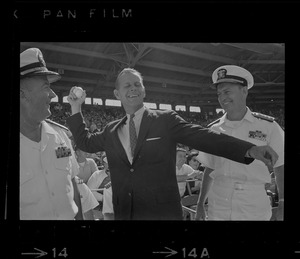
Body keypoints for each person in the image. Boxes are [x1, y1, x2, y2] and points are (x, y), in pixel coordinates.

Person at [66, 67, 278, 220]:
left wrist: (249, 149)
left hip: (162, 214)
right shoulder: (111, 130)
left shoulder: (165, 120)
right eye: (127, 85)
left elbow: (204, 137)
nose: (133, 88)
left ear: (144, 90)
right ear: (117, 94)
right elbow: (85, 141)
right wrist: (76, 107)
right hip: (126, 214)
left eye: (137, 84)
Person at [195, 65, 284, 221]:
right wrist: (200, 203)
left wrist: (282, 202)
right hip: (218, 205)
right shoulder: (213, 129)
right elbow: (209, 169)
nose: (223, 98)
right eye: (219, 93)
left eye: (227, 92)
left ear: (244, 90)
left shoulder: (268, 126)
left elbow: (280, 167)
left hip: (253, 203)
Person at [20, 48, 83, 220]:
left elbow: (72, 184)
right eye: (46, 87)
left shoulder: (61, 136)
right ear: (22, 94)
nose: (53, 94)